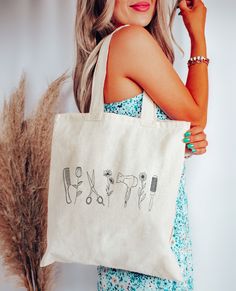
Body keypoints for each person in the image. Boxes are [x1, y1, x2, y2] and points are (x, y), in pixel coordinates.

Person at [73, 0, 209, 290]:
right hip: (151, 261)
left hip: (127, 256)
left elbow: (121, 155)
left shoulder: (103, 53)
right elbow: (197, 115)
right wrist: (198, 36)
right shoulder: (131, 41)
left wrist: (175, 146)